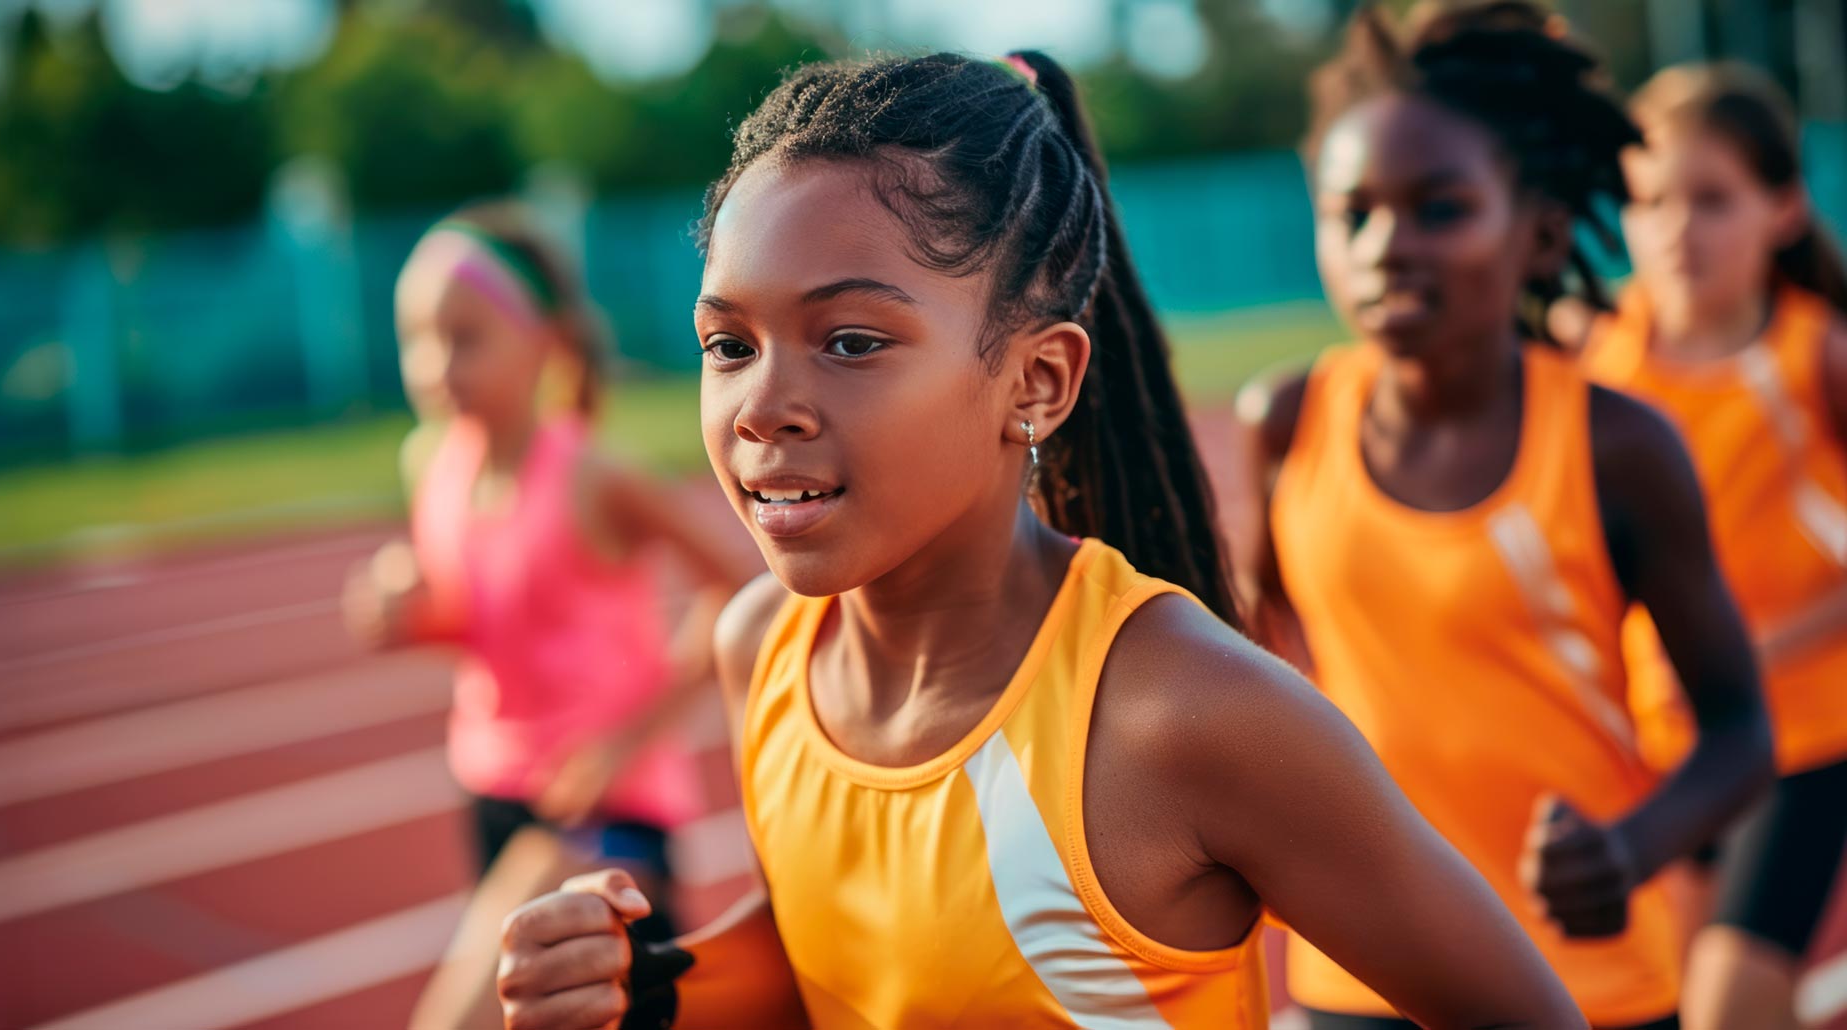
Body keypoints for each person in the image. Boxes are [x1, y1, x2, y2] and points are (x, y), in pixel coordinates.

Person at [496, 49, 1585, 1030]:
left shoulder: (1179, 713)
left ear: (1037, 379)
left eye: (851, 340)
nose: (762, 406)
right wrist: (641, 985)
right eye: (727, 344)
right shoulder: (762, 649)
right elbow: (835, 958)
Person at [1241, 5, 1776, 1029]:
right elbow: (1266, 655)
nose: (1385, 247)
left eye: (1438, 209)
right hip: (1354, 972)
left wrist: (1629, 850)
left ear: (1539, 233)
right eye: (1351, 215)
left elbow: (1739, 733)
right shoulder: (1289, 420)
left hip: (1573, 981)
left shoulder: (1616, 447)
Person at [339, 202, 753, 1028]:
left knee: (458, 1018)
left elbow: (739, 588)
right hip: (494, 789)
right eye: (417, 339)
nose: (436, 366)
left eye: (465, 337)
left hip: (605, 807)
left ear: (544, 339)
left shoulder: (598, 476)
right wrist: (400, 612)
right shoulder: (433, 465)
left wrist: (626, 742)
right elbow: (477, 624)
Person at [1575, 62, 1847, 1030]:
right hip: (1656, 743)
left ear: (1783, 206)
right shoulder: (1592, 354)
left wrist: (1752, 652)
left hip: (1800, 733)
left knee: (1727, 1007)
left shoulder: (1816, 356)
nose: (1675, 229)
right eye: (1649, 201)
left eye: (1711, 199)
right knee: (1674, 1003)